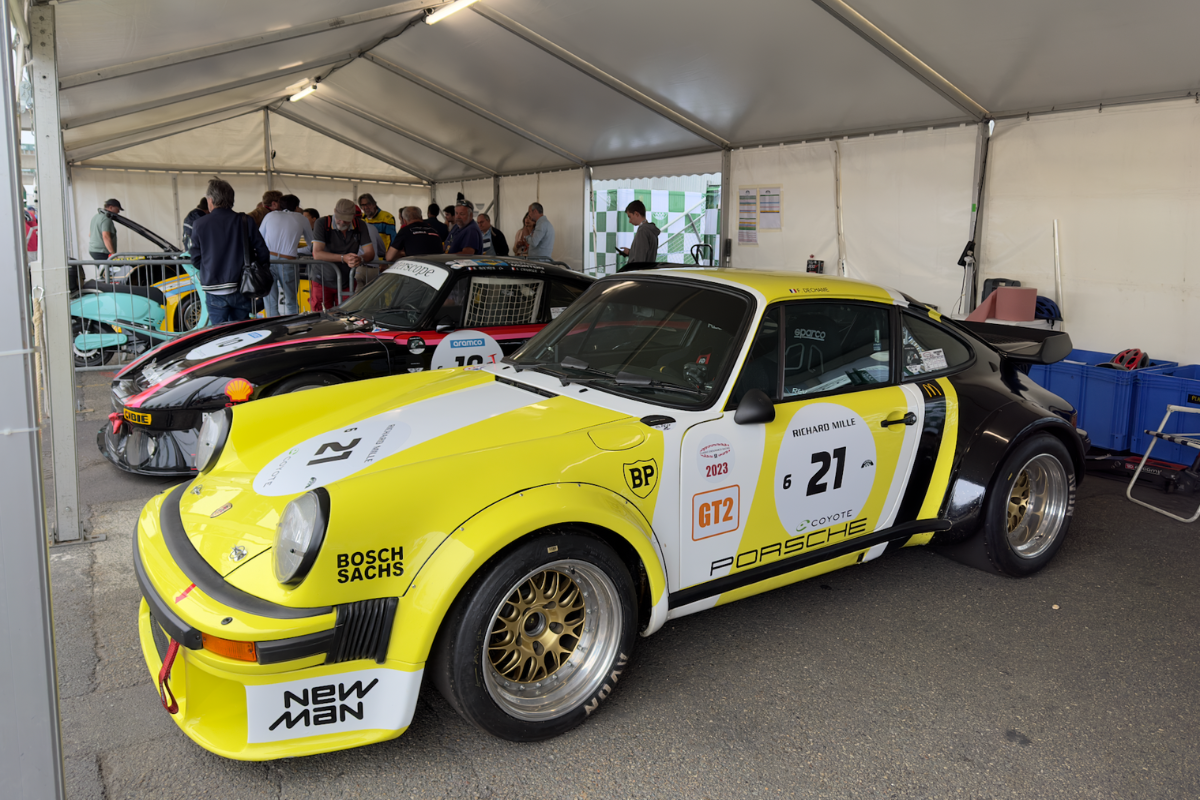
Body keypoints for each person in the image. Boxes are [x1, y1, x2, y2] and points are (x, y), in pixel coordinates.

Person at [190, 178, 269, 325]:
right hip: (241, 287)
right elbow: (263, 252)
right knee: (241, 333)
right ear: (231, 199)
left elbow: (195, 258)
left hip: (213, 290)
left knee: (219, 336)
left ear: (211, 200)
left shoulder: (199, 224)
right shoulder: (245, 220)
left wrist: (210, 268)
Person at [310, 198, 374, 311]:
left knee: (346, 316)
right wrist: (343, 258)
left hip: (347, 281)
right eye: (340, 219)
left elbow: (370, 252)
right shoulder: (322, 223)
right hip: (322, 280)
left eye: (347, 220)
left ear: (354, 216)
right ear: (334, 211)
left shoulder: (360, 225)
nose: (342, 222)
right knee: (321, 317)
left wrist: (360, 259)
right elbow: (317, 253)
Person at [258, 194, 311, 316]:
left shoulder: (270, 215)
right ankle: (293, 328)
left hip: (269, 259)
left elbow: (259, 238)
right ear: (297, 207)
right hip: (288, 261)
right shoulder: (302, 218)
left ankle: (273, 329)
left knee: (270, 300)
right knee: (291, 300)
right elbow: (312, 245)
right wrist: (294, 252)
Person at [353, 204, 386, 290]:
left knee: (356, 300)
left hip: (357, 269)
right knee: (372, 300)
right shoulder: (372, 228)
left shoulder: (348, 229)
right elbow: (382, 250)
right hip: (374, 269)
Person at [88, 198, 122, 262]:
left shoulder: (96, 216)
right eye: (118, 209)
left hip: (93, 250)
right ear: (111, 207)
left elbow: (90, 234)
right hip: (102, 252)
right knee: (110, 270)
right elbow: (106, 237)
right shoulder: (106, 219)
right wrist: (113, 254)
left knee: (105, 270)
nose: (118, 212)